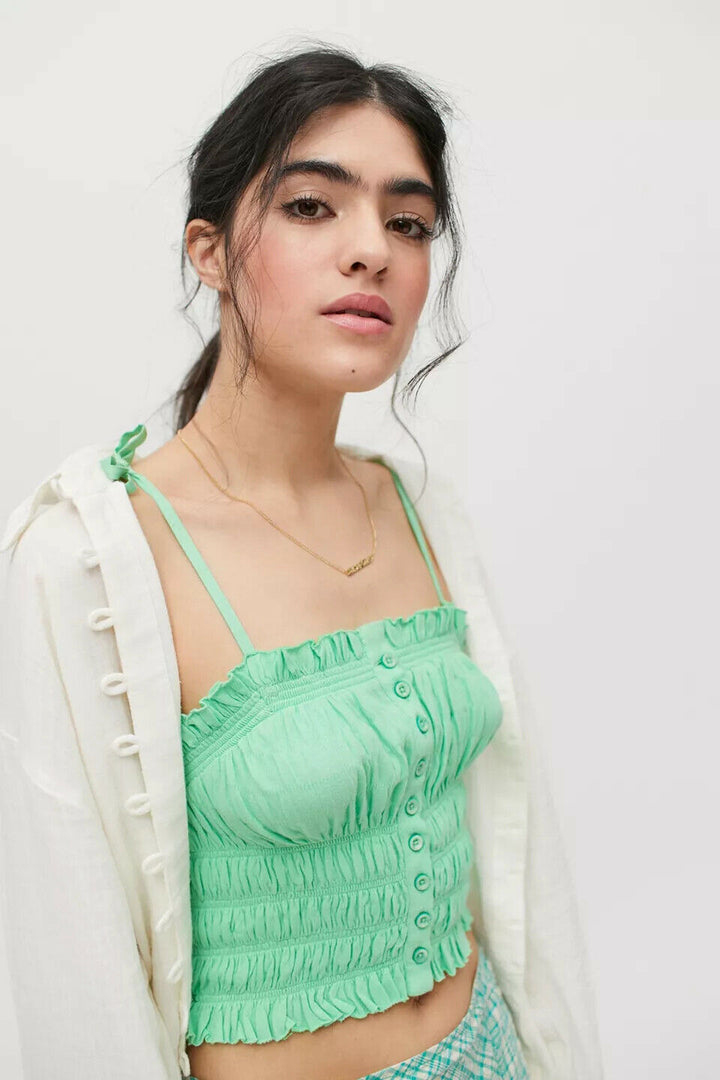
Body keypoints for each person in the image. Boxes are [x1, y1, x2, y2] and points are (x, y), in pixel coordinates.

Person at [0, 42, 604, 1080]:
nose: (372, 251)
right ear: (208, 250)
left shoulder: (419, 509)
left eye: (408, 223)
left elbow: (513, 855)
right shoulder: (91, 561)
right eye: (313, 206)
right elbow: (75, 955)